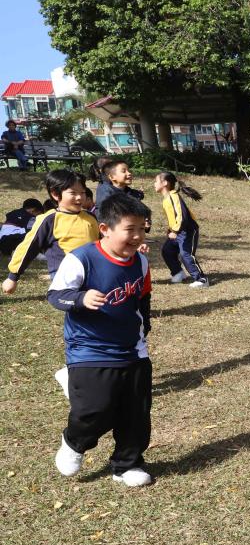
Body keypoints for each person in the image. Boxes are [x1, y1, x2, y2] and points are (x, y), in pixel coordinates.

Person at [48, 195, 155, 487]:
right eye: (130, 229)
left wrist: (144, 327)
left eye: (142, 229)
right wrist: (80, 298)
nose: (138, 236)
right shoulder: (81, 259)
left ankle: (127, 464)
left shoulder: (141, 261)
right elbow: (55, 295)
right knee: (96, 409)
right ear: (105, 229)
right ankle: (74, 442)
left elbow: (143, 298)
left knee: (136, 412)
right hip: (89, 348)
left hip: (133, 349)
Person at [4, 170, 99, 293]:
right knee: (75, 302)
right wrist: (13, 277)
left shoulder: (90, 217)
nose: (79, 197)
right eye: (73, 193)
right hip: (65, 275)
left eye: (82, 192)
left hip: (92, 272)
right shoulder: (49, 220)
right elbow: (29, 247)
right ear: (55, 194)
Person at [154, 172, 209, 288]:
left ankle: (201, 279)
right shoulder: (167, 199)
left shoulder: (173, 197)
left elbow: (182, 216)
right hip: (177, 231)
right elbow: (173, 216)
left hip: (188, 230)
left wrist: (175, 231)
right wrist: (170, 229)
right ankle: (178, 273)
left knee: (186, 254)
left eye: (156, 181)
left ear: (164, 183)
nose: (154, 184)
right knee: (167, 251)